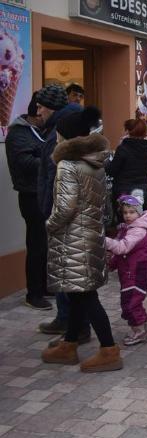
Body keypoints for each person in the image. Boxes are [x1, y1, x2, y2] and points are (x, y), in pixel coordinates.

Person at [40, 106, 123, 373]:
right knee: (78, 293)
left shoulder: (68, 165)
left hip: (74, 238)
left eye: (58, 134)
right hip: (91, 235)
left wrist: (49, 225)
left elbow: (65, 207)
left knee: (86, 296)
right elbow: (104, 204)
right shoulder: (95, 162)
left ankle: (109, 350)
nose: (55, 138)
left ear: (67, 138)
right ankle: (70, 343)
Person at [34, 85, 89, 337]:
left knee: (67, 272)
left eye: (41, 106)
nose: (38, 111)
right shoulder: (64, 126)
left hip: (64, 217)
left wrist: (51, 214)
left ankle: (71, 324)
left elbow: (57, 179)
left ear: (52, 108)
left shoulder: (62, 131)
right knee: (71, 274)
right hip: (68, 216)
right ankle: (72, 322)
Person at [6, 93, 49, 310]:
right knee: (36, 244)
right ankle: (34, 292)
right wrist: (50, 160)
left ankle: (44, 285)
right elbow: (24, 161)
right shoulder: (18, 133)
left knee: (46, 242)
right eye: (42, 113)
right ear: (35, 115)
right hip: (30, 194)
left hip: (43, 192)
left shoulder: (41, 132)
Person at [105, 195, 147, 346]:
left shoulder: (138, 230)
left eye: (132, 212)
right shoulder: (127, 229)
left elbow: (122, 247)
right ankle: (143, 327)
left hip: (137, 273)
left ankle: (139, 331)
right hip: (128, 273)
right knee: (133, 302)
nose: (128, 215)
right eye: (125, 212)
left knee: (130, 304)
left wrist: (103, 240)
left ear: (139, 213)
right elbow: (121, 253)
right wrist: (112, 264)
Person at [107, 119, 147, 211]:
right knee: (141, 223)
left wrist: (106, 162)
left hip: (123, 193)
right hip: (143, 191)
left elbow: (111, 170)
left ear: (127, 131)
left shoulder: (123, 148)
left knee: (124, 224)